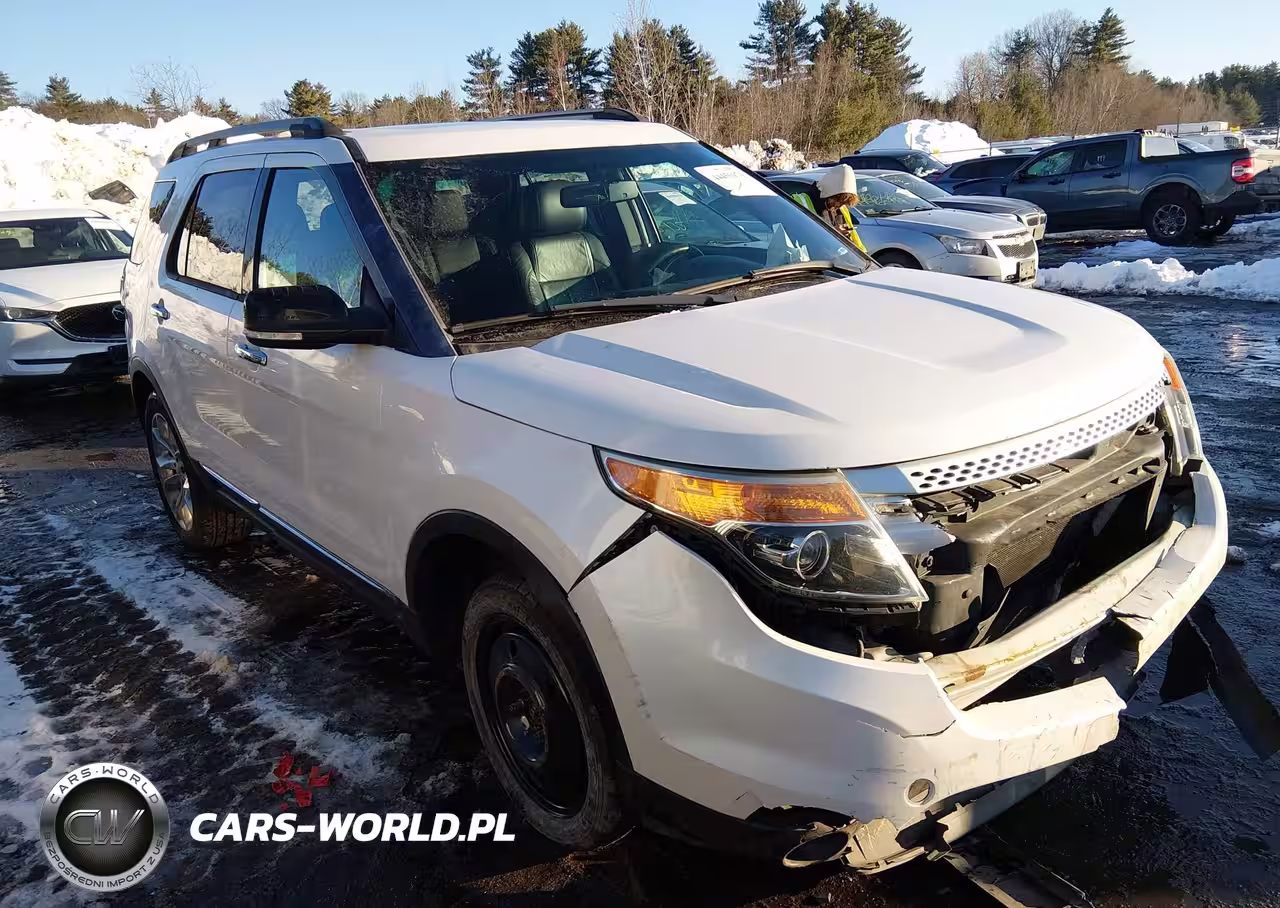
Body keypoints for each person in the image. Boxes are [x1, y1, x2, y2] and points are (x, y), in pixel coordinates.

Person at [815, 164, 868, 255]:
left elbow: (855, 241)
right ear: (830, 196)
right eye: (838, 202)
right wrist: (834, 232)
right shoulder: (805, 202)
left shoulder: (842, 208)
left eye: (842, 203)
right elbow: (808, 237)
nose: (838, 206)